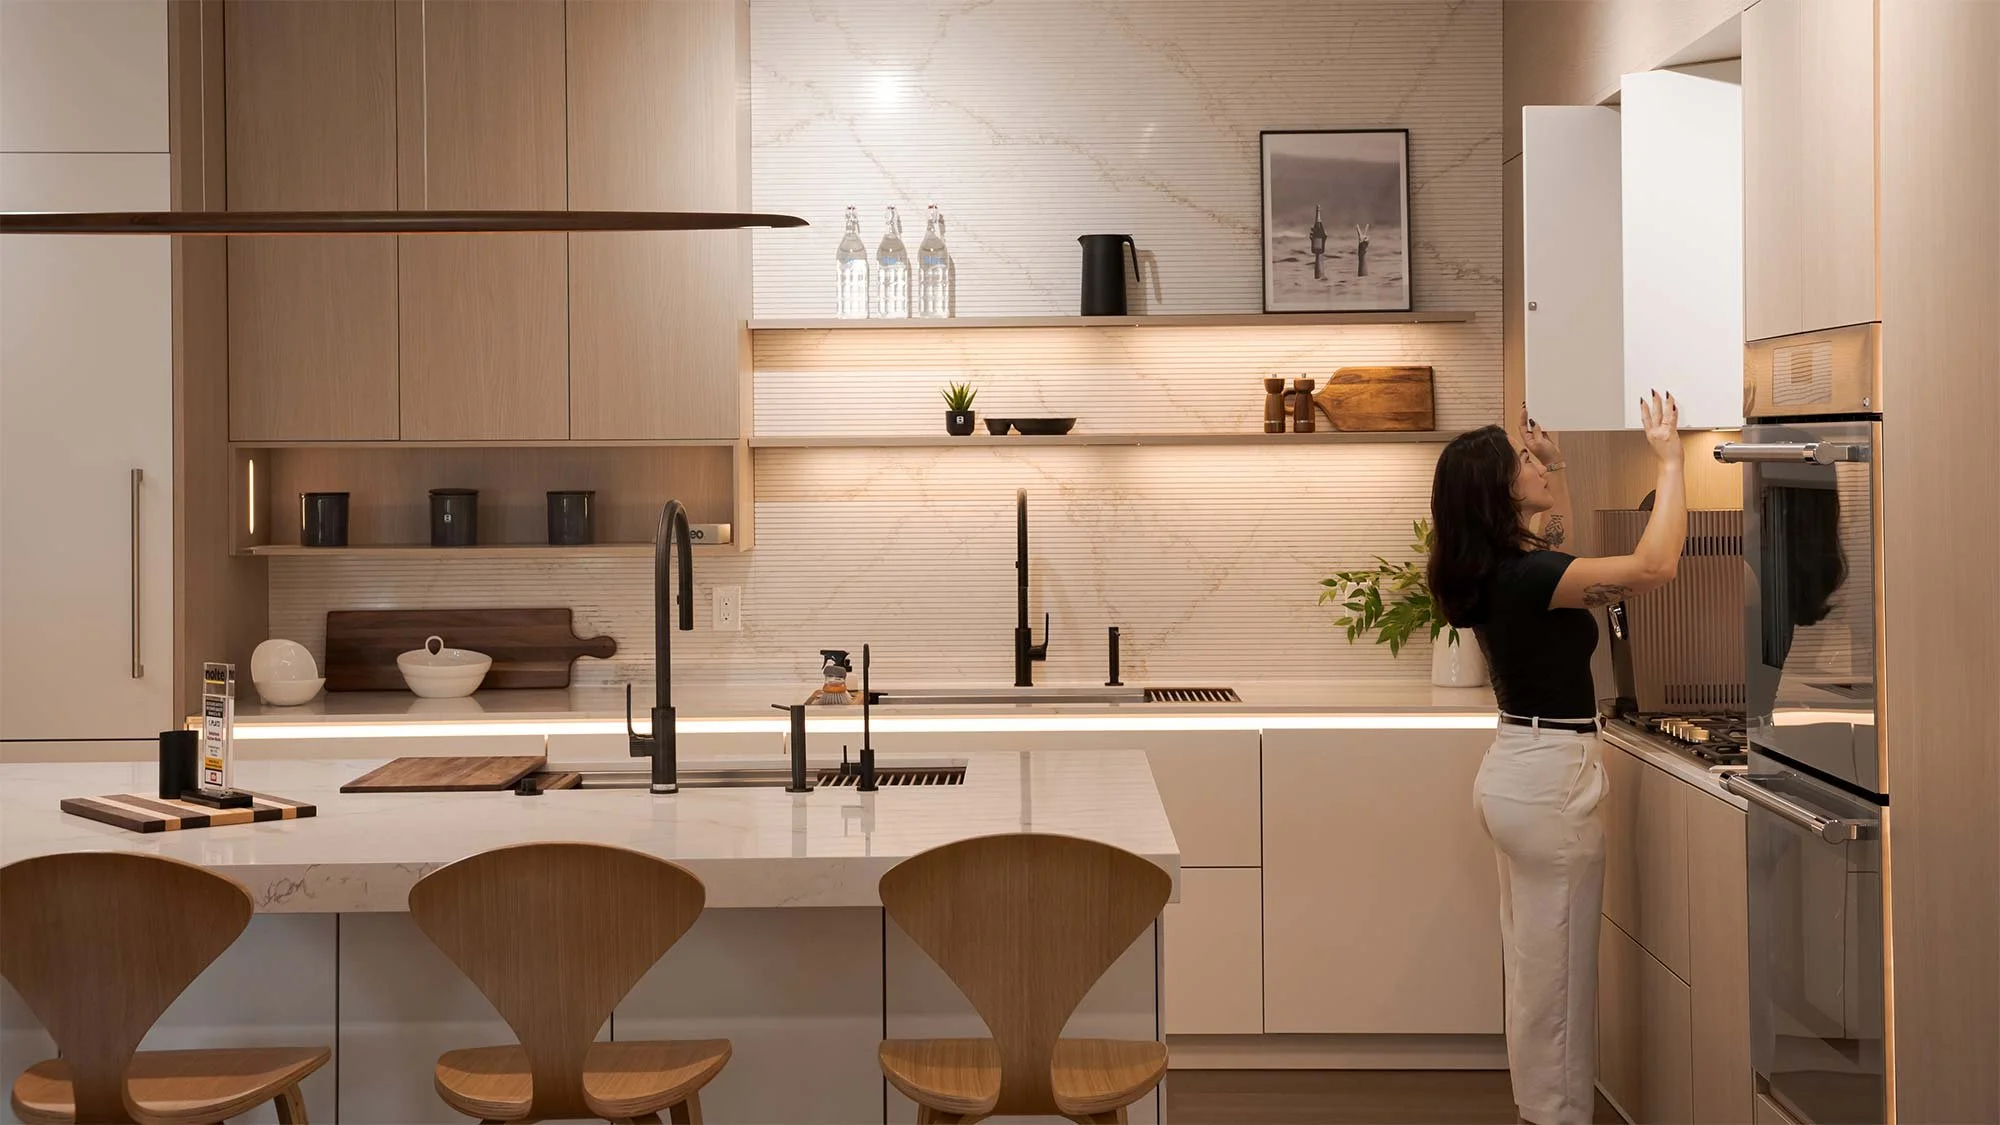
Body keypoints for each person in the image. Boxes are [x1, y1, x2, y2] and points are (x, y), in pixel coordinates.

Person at [1427, 392, 1686, 1125]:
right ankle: (1557, 1116)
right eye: (1524, 463)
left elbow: (1561, 541)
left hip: (1521, 770)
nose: (1534, 464)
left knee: (1539, 970)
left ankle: (1539, 1108)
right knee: (1559, 982)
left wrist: (1561, 465)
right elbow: (1656, 564)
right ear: (1498, 493)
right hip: (1546, 782)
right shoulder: (1528, 577)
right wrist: (1670, 458)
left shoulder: (1511, 569)